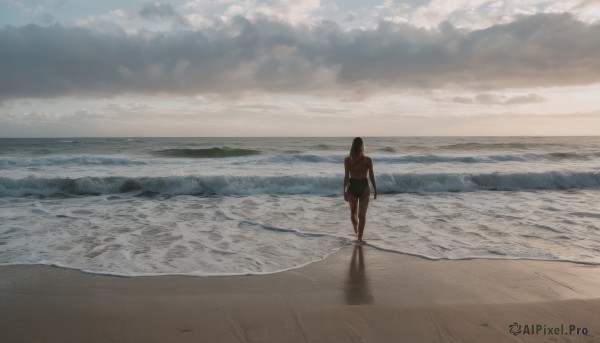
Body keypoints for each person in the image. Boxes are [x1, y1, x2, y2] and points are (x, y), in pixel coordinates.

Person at [343, 137, 377, 244]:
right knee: (356, 214)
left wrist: (375, 189)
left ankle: (358, 236)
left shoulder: (367, 160)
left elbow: (371, 175)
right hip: (356, 187)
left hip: (360, 188)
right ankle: (357, 233)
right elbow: (346, 176)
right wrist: (344, 190)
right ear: (362, 146)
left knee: (359, 214)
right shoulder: (348, 160)